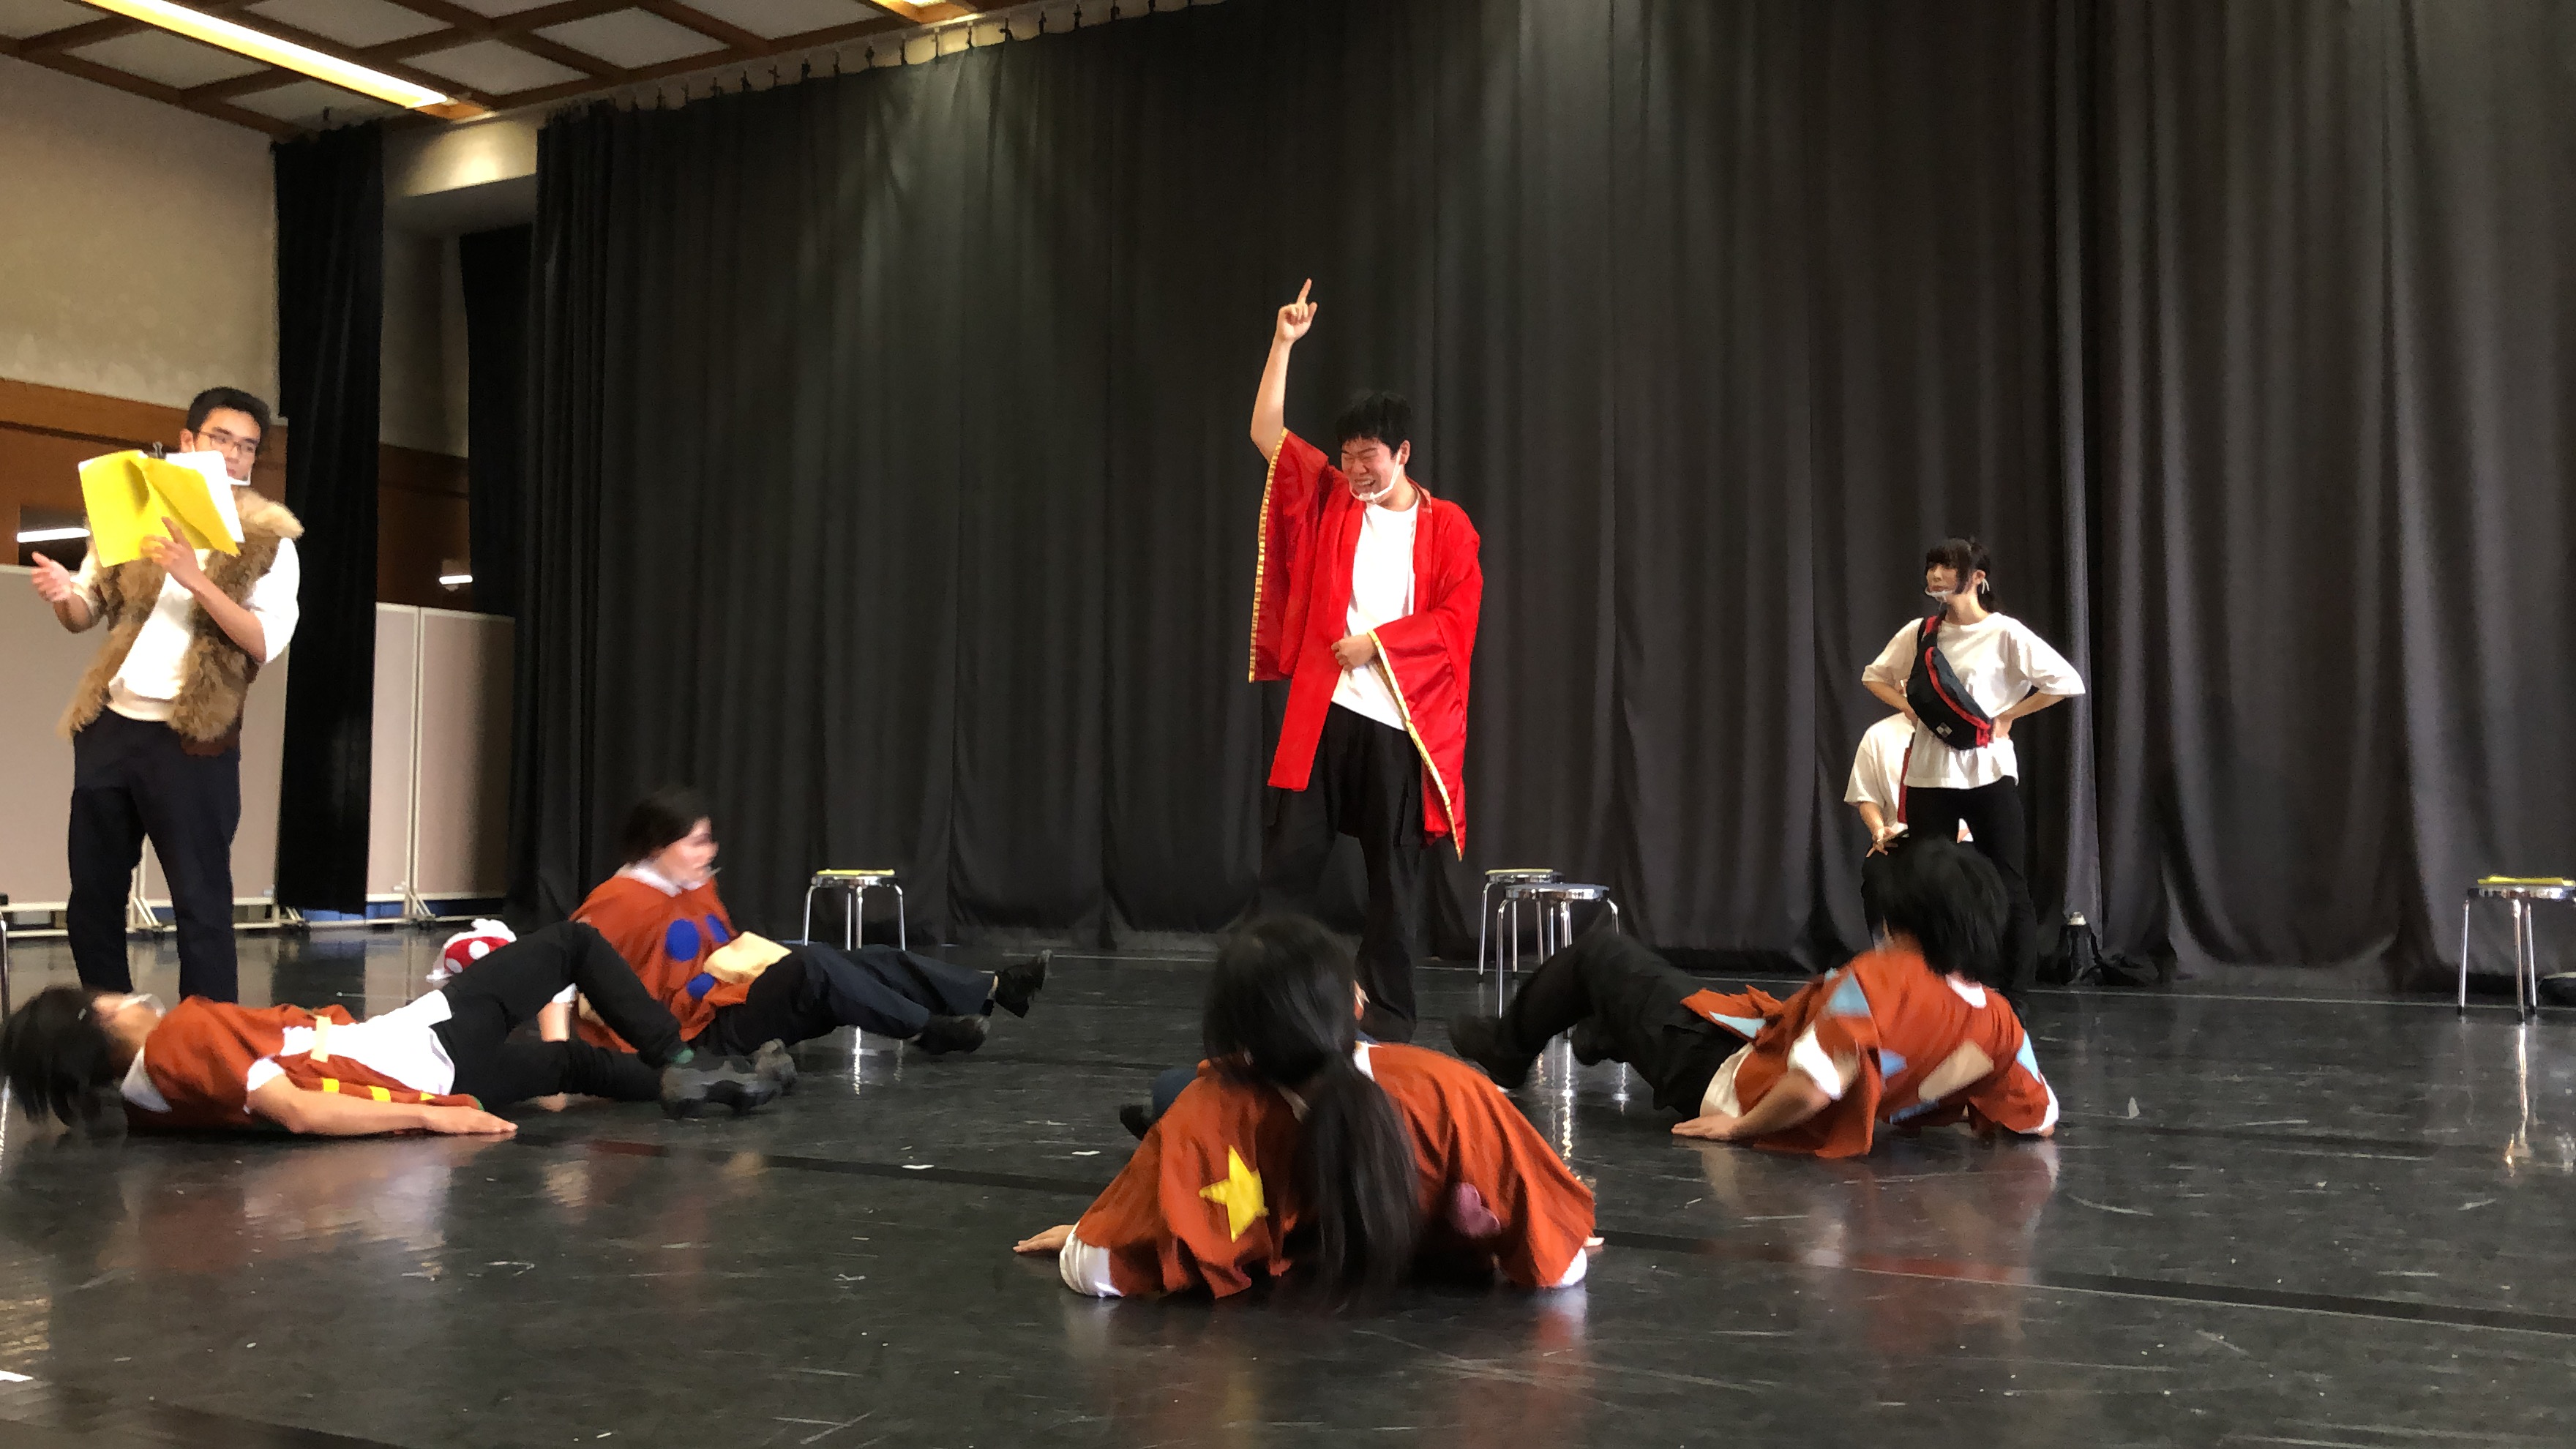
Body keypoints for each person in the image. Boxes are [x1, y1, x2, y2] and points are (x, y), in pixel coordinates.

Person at [1013, 916, 1595, 1300]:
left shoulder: (1205, 1117)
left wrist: (1096, 1231)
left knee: (1175, 1091)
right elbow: (1563, 1266)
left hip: (1227, 1126)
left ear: (1238, 1040)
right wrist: (1541, 1217)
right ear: (1356, 1005)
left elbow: (1094, 1268)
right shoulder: (1448, 1091)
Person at [1448, 834, 2059, 1158]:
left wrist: (1737, 1130)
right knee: (1663, 991)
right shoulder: (1998, 1020)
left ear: (1905, 918)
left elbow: (1813, 1085)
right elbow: (2041, 1116)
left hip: (1725, 1080)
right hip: (1756, 1044)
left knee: (1601, 955)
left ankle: (1509, 1049)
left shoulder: (1879, 980)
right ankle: (1605, 1029)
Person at [1246, 281, 1484, 1042]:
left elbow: (1456, 623)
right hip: (1325, 711)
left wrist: (1378, 644)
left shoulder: (1447, 528)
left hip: (1398, 725)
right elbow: (1268, 433)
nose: (1355, 470)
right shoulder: (1329, 498)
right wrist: (1283, 343)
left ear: (1402, 453)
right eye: (1347, 456)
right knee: (1287, 869)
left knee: (1394, 883)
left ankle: (1389, 1022)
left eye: (1368, 458)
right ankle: (1267, 1003)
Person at [29, 387, 302, 1004]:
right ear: (188, 441)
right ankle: (112, 1024)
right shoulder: (135, 511)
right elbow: (85, 611)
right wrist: (63, 595)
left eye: (247, 447)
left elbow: (262, 641)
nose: (234, 456)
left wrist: (197, 580)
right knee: (93, 896)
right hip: (111, 726)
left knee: (201, 904)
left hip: (193, 740)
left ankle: (204, 1042)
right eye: (221, 439)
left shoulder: (269, 541)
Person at [0, 921, 785, 1136]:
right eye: (110, 996)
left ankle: (712, 1085)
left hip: (431, 1070)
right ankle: (684, 1060)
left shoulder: (144, 1103)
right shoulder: (180, 1040)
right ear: (101, 1017)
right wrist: (434, 1118)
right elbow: (295, 1109)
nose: (128, 996)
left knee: (566, 1066)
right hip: (422, 1050)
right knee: (572, 945)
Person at [554, 787, 1050, 1060]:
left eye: (709, 840)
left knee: (864, 961)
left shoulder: (692, 885)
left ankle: (995, 988)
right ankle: (926, 1031)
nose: (709, 852)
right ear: (658, 847)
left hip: (729, 1003)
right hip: (694, 1039)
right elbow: (563, 977)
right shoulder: (620, 900)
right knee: (815, 965)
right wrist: (560, 1063)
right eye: (696, 842)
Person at [1860, 538, 2083, 995]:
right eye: (1932, 566)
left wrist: (2008, 716)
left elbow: (2066, 681)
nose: (1935, 575)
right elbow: (1873, 676)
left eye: (1948, 566)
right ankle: (1933, 991)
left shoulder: (2005, 633)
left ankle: (2012, 998)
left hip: (1989, 774)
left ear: (1978, 578)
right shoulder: (1921, 632)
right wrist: (1912, 709)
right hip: (1929, 776)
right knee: (1927, 885)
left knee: (2008, 884)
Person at [1846, 711, 1968, 934]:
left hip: (1957, 839)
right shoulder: (1879, 734)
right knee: (1876, 873)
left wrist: (1960, 830)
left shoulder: (1964, 729)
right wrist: (1878, 830)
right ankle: (1890, 950)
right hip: (1900, 838)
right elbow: (1866, 795)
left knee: (1948, 880)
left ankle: (1953, 952)